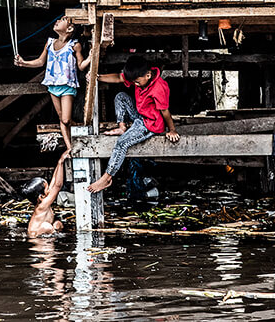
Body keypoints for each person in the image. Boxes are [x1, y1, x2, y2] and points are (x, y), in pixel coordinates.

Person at [87, 55, 180, 193]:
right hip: (141, 115)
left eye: (136, 82)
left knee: (121, 143)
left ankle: (107, 178)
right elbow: (119, 77)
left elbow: (165, 112)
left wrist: (172, 130)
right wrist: (97, 77)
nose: (135, 85)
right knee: (121, 97)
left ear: (148, 75)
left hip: (150, 124)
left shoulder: (159, 87)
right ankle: (122, 127)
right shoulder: (140, 76)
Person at [15, 16, 89, 153]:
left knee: (66, 119)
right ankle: (69, 147)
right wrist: (24, 63)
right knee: (62, 118)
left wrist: (91, 56)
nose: (57, 21)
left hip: (67, 86)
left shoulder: (74, 45)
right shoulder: (50, 43)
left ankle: (74, 127)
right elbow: (40, 62)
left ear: (70, 28)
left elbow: (81, 66)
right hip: (53, 86)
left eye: (62, 20)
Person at [25, 151, 68, 238]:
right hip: (36, 237)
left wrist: (59, 162)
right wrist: (61, 163)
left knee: (58, 224)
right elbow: (58, 186)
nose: (49, 189)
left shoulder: (42, 200)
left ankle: (53, 234)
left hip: (38, 233)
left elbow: (54, 181)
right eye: (47, 188)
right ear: (41, 197)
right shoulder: (43, 205)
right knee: (47, 226)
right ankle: (50, 248)